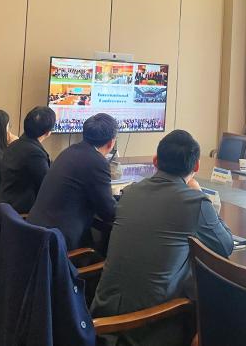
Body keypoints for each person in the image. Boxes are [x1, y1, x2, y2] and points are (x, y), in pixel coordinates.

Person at [91, 130, 233, 346]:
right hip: (145, 329)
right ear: (196, 167)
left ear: (155, 161)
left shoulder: (130, 192)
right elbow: (225, 245)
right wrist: (200, 194)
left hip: (102, 316)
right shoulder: (194, 202)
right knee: (216, 296)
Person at [27, 113, 117, 250]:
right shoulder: (97, 162)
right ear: (111, 143)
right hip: (57, 244)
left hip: (37, 233)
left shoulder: (69, 151)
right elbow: (109, 213)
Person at [0, 106, 56, 214]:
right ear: (48, 132)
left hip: (3, 208)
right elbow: (47, 187)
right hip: (19, 214)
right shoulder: (35, 154)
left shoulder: (14, 145)